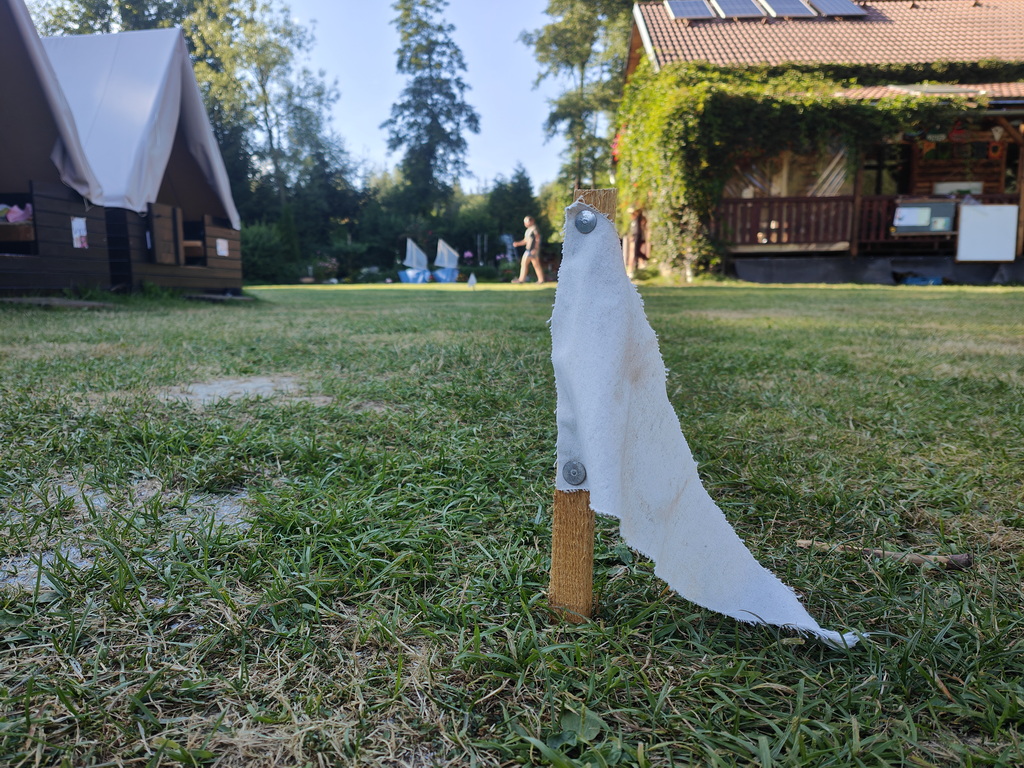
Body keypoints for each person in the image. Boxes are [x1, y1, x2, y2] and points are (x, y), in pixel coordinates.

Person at [512, 216, 545, 284]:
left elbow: (537, 239)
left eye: (526, 222)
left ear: (532, 221)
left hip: (532, 250)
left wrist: (535, 249)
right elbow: (525, 240)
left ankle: (522, 280)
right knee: (531, 264)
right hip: (528, 249)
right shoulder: (528, 230)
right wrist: (518, 244)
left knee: (533, 264)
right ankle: (539, 280)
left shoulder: (534, 229)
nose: (525, 224)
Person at [624, 207, 646, 279]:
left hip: (637, 238)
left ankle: (632, 270)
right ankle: (629, 271)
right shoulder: (633, 222)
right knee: (631, 255)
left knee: (633, 254)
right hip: (633, 239)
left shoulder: (638, 221)